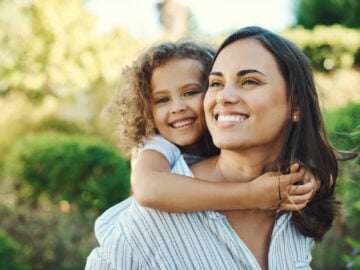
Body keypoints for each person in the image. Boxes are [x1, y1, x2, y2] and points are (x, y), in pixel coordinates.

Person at [85, 30, 335, 269]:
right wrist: (250, 194)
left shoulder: (295, 201)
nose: (224, 96)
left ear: (296, 106)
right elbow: (148, 187)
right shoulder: (148, 209)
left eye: (248, 81)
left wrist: (310, 176)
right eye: (217, 83)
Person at [111, 40, 315, 213]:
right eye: (162, 100)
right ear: (147, 110)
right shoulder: (158, 146)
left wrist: (301, 176)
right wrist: (252, 195)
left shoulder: (226, 136)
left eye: (190, 93)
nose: (177, 107)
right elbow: (149, 190)